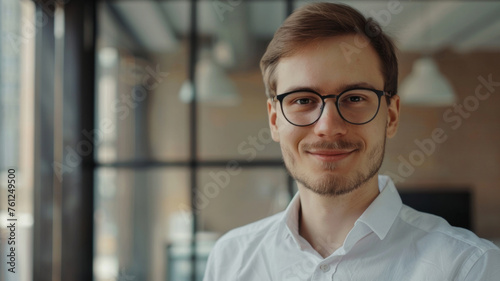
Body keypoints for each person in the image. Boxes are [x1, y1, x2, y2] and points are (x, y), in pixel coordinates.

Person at [203, 3, 500, 280]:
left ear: (392, 116)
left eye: (355, 98)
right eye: (303, 100)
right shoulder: (230, 260)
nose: (328, 127)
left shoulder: (468, 267)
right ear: (274, 120)